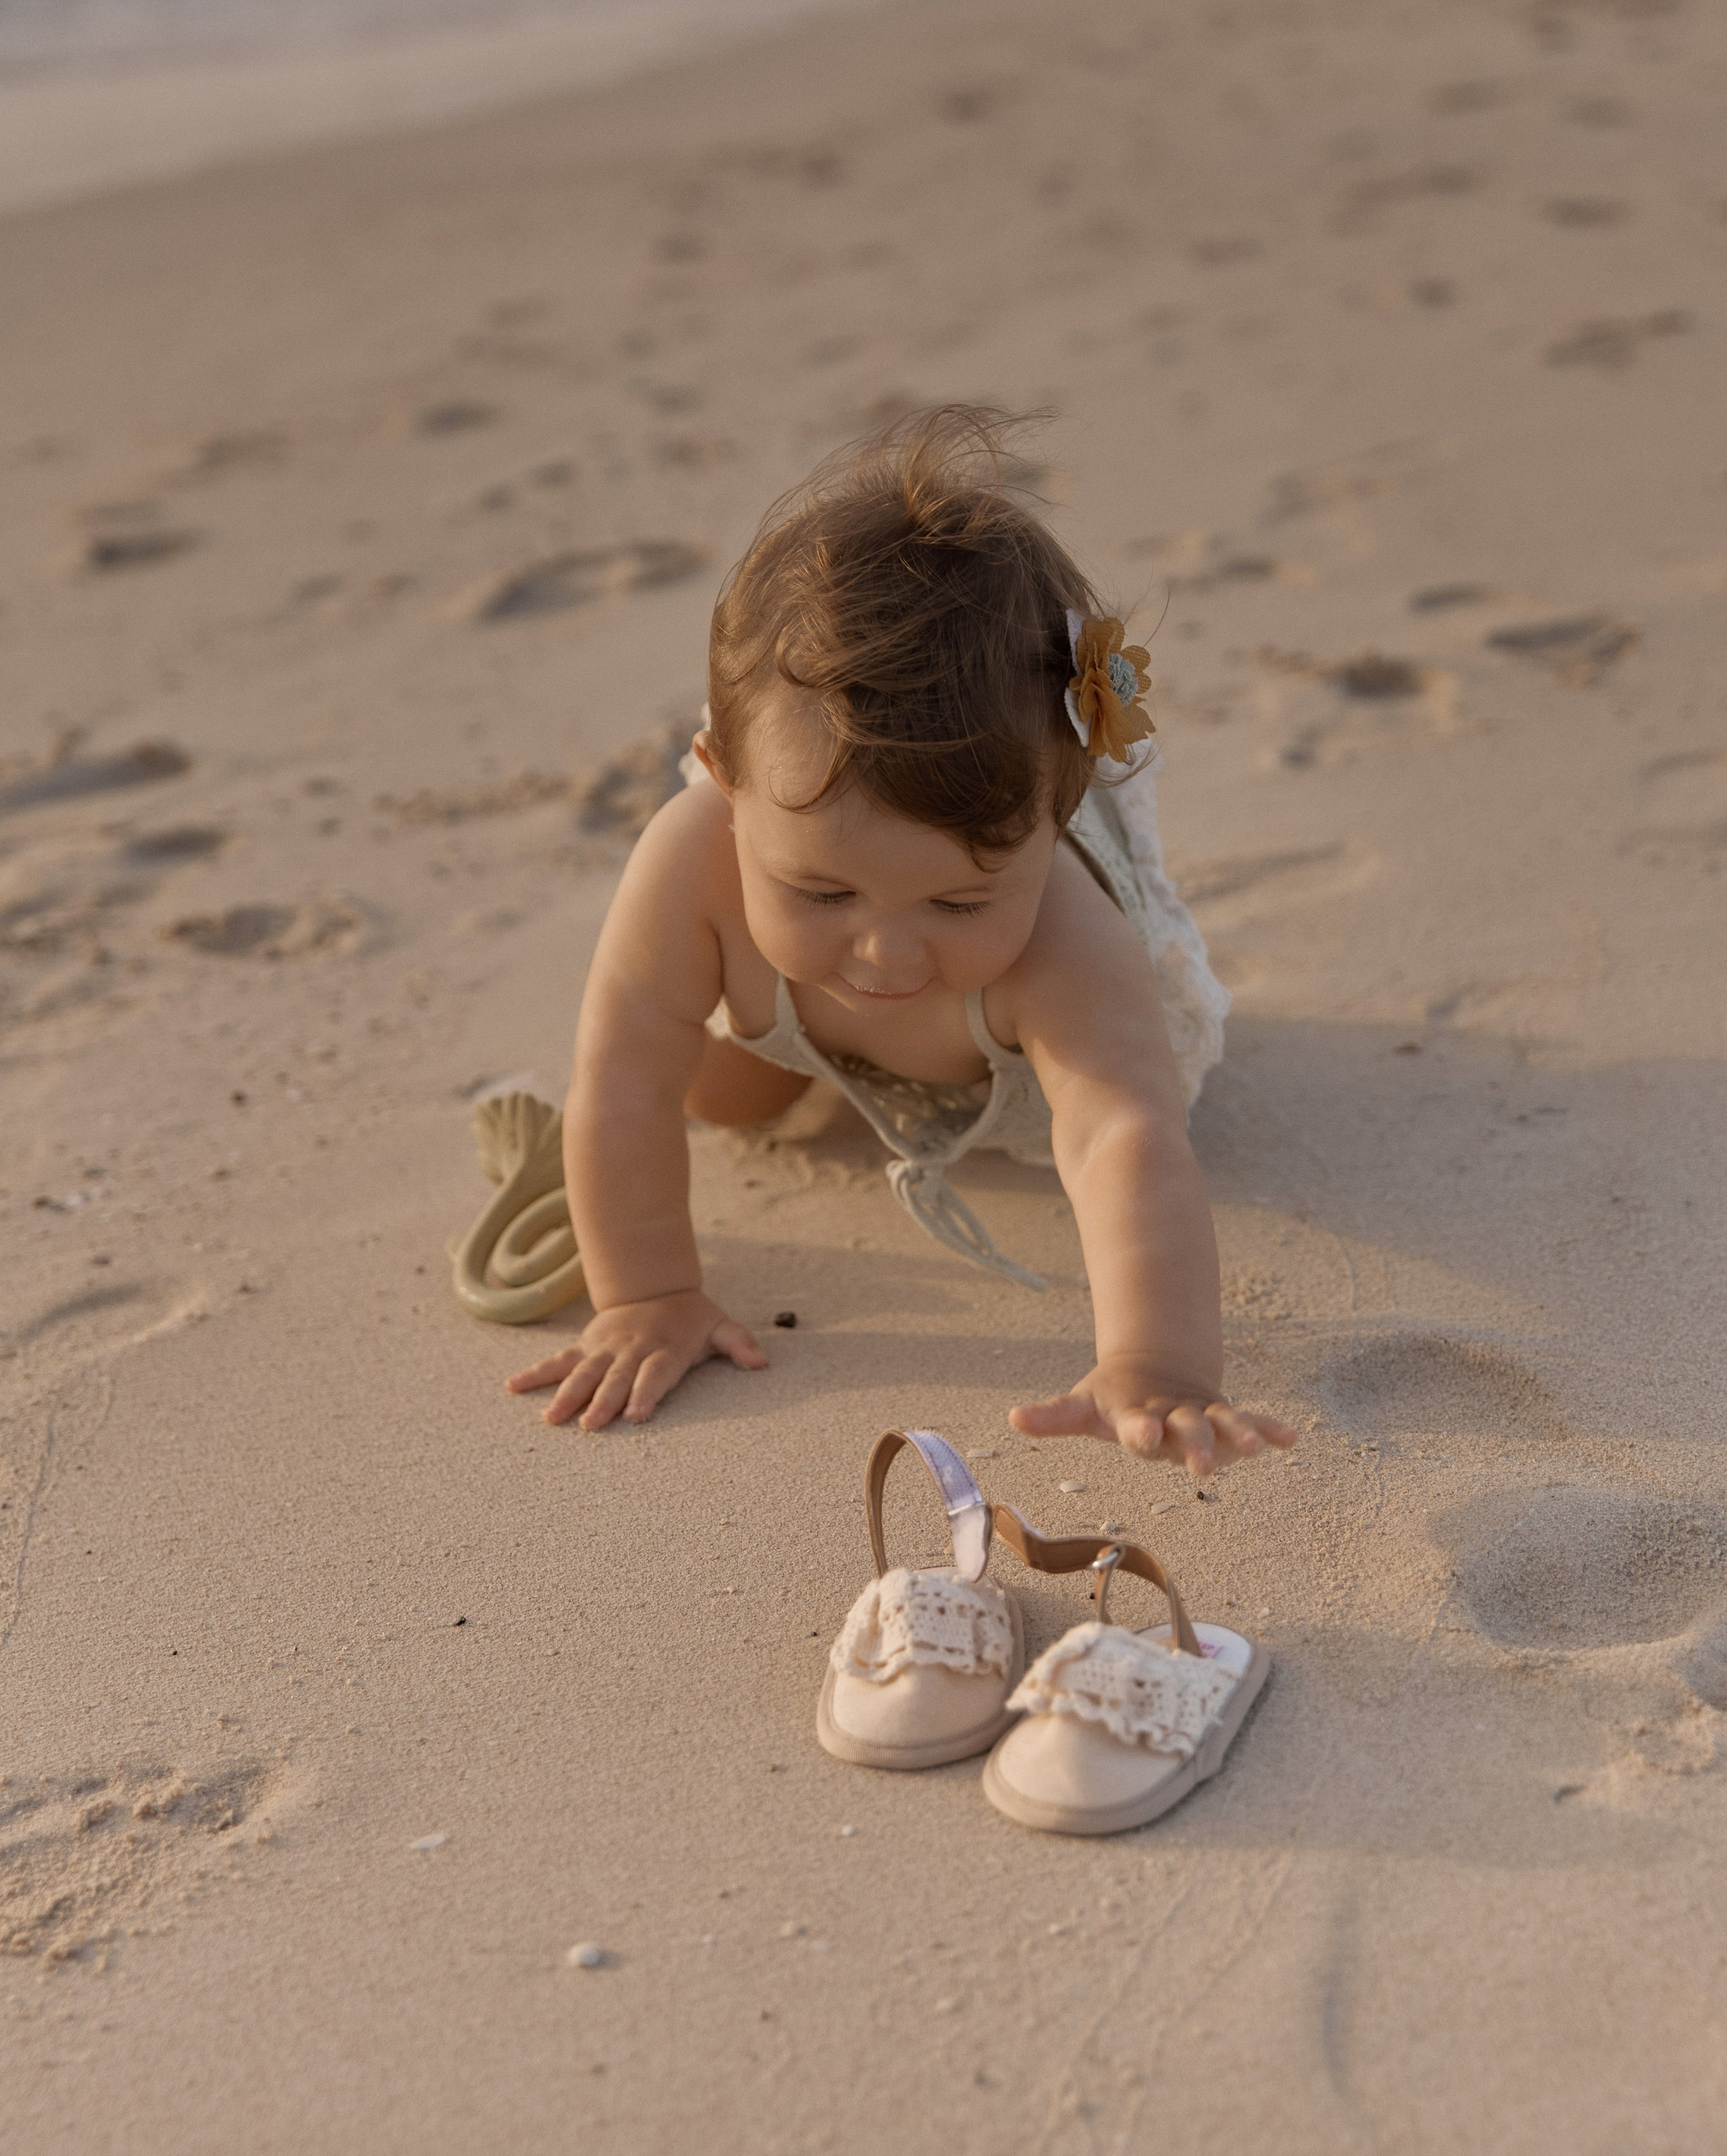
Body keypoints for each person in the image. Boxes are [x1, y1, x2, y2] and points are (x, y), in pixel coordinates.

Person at [506, 409, 1295, 1478]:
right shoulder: (692, 855)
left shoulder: (1068, 939)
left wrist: (1157, 1363)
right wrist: (645, 1294)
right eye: (822, 889)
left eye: (960, 903)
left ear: (1049, 831)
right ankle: (829, 1036)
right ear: (726, 785)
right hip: (793, 1013)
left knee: (1082, 1133)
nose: (886, 954)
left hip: (1004, 1066)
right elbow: (622, 1071)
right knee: (716, 1095)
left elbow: (1122, 1139)